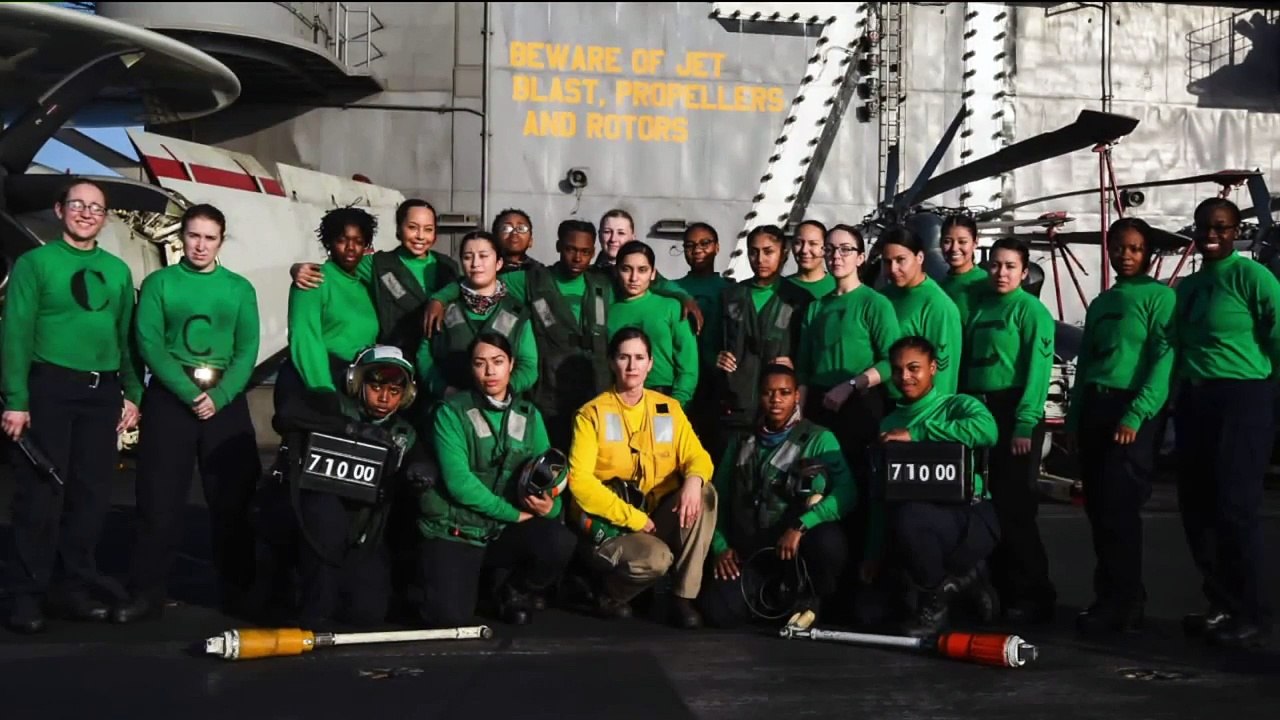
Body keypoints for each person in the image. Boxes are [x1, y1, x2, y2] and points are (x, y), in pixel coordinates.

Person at [1, 178, 144, 634]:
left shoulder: (118, 272)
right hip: (49, 389)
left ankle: (72, 588)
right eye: (77, 205)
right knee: (40, 495)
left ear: (105, 218)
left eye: (96, 208)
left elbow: (125, 338)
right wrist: (16, 400)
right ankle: (26, 594)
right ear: (60, 210)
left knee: (90, 495)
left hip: (101, 394)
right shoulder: (35, 263)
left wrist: (132, 393)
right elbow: (16, 334)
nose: (86, 213)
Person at [112, 203, 263, 623]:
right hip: (171, 398)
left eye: (209, 237)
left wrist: (223, 394)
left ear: (221, 241)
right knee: (158, 501)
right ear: (183, 238)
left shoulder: (238, 288)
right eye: (193, 235)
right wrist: (186, 391)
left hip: (224, 399)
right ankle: (146, 593)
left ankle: (239, 590)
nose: (200, 245)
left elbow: (247, 347)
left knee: (232, 500)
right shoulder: (160, 283)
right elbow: (149, 342)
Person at [1173, 197, 1280, 649]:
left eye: (1221, 227)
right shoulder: (1191, 286)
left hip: (1243, 397)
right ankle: (1220, 602)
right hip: (1197, 399)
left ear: (1237, 231)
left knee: (1237, 508)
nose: (1212, 234)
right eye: (1204, 226)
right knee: (1197, 507)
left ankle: (1253, 612)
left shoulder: (1253, 277)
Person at [416, 333, 577, 627]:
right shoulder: (451, 413)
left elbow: (551, 473)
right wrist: (515, 514)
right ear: (471, 368)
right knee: (448, 617)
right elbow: (459, 483)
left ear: (511, 365)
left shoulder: (530, 415)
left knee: (558, 541)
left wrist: (548, 508)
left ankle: (512, 590)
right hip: (458, 528)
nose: (490, 372)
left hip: (502, 531)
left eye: (498, 362)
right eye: (480, 363)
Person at [268, 345, 434, 629]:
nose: (384, 398)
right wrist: (350, 429)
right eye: (376, 387)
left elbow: (422, 462)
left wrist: (422, 472)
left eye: (394, 392)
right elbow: (285, 414)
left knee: (366, 614)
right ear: (357, 382)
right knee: (317, 608)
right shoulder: (333, 405)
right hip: (317, 520)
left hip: (365, 531)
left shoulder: (404, 433)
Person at [1065, 217, 1175, 637]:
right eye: (1117, 247)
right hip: (1096, 406)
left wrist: (1137, 413)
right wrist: (1074, 419)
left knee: (1119, 510)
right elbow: (1088, 365)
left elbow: (1163, 360)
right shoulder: (1102, 303)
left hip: (1130, 412)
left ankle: (1125, 602)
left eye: (1134, 248)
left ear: (1147, 252)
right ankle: (1109, 595)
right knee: (1098, 510)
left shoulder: (1159, 298)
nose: (1125, 255)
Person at [566, 327, 717, 628]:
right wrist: (632, 518)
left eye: (639, 358)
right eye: (624, 357)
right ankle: (608, 594)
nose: (632, 366)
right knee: (656, 559)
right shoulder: (591, 414)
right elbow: (579, 482)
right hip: (613, 524)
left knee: (705, 493)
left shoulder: (667, 409)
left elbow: (697, 457)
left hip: (655, 514)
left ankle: (682, 597)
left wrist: (693, 481)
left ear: (650, 363)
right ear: (612, 362)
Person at [700, 364, 853, 629]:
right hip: (752, 553)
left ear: (796, 396)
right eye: (768, 393)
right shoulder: (740, 441)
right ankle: (770, 601)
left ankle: (811, 599)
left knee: (828, 541)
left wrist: (801, 525)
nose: (776, 400)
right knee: (718, 611)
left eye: (784, 392)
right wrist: (720, 547)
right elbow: (717, 498)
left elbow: (847, 493)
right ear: (759, 396)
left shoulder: (819, 439)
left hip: (796, 550)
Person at [795, 224, 900, 599]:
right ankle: (823, 580)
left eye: (845, 249)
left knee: (859, 490)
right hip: (822, 410)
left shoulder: (875, 304)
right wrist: (800, 415)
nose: (836, 255)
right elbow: (805, 368)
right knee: (819, 490)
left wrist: (852, 385)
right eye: (831, 249)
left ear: (860, 256)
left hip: (860, 406)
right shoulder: (815, 308)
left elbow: (891, 361)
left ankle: (863, 577)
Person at [875, 336, 1001, 637]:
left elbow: (988, 431)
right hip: (919, 523)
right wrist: (871, 554)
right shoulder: (888, 422)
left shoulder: (958, 404)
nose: (904, 377)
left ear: (933, 368)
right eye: (897, 369)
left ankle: (940, 598)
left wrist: (917, 432)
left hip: (971, 518)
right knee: (872, 611)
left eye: (914, 368)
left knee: (911, 517)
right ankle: (961, 581)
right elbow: (879, 493)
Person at [959, 237, 1057, 624]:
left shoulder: (1031, 312)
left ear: (1024, 270)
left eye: (1010, 266)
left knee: (1016, 510)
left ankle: (1035, 594)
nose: (1001, 273)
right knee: (986, 507)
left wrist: (1025, 423)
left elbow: (1038, 372)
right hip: (980, 412)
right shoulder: (980, 308)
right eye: (995, 265)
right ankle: (999, 589)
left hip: (1014, 412)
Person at [291, 199, 461, 359]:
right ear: (399, 229)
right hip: (396, 359)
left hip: (439, 357)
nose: (420, 236)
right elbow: (337, 266)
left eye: (428, 229)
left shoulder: (447, 266)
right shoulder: (377, 264)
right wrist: (297, 269)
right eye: (412, 227)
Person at [712, 224, 811, 459]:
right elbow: (712, 342)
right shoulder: (731, 296)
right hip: (737, 405)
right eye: (753, 252)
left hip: (778, 408)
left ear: (783, 253)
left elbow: (809, 352)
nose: (760, 259)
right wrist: (717, 356)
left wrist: (795, 365)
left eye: (768, 251)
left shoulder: (798, 300)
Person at [275, 207, 380, 413]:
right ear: (329, 243)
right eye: (342, 240)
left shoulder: (367, 281)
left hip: (355, 383)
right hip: (316, 383)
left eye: (358, 242)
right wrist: (322, 389)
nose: (351, 248)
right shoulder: (314, 278)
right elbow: (305, 338)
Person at [415, 230, 538, 402]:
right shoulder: (442, 308)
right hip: (450, 408)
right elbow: (424, 356)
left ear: (498, 263)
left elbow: (529, 365)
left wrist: (503, 391)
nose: (475, 263)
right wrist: (444, 390)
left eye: (483, 256)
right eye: (467, 257)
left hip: (502, 409)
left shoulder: (516, 312)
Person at [607, 241, 700, 408]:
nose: (634, 278)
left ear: (652, 273)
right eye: (626, 269)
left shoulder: (673, 307)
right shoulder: (608, 312)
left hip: (665, 395)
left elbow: (688, 363)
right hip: (620, 400)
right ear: (616, 271)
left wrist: (678, 403)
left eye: (642, 270)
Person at [877, 225, 963, 399]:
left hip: (914, 408)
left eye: (901, 260)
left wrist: (933, 417)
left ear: (920, 257)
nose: (893, 269)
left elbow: (944, 371)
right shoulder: (882, 297)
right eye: (887, 262)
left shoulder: (937, 305)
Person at [674, 222, 732, 441]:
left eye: (705, 243)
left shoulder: (731, 289)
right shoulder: (674, 288)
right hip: (680, 378)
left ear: (717, 247)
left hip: (715, 382)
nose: (697, 250)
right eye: (690, 245)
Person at [937, 214, 989, 325]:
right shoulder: (939, 287)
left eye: (962, 242)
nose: (954, 248)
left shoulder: (986, 283)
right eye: (947, 241)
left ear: (975, 243)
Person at [785, 219, 836, 300]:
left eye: (813, 244)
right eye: (798, 243)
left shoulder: (838, 287)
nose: (804, 250)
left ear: (825, 248)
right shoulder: (780, 287)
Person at [493, 208, 542, 273]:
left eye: (521, 228)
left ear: (530, 240)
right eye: (506, 228)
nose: (514, 233)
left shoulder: (539, 272)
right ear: (495, 237)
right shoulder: (484, 268)